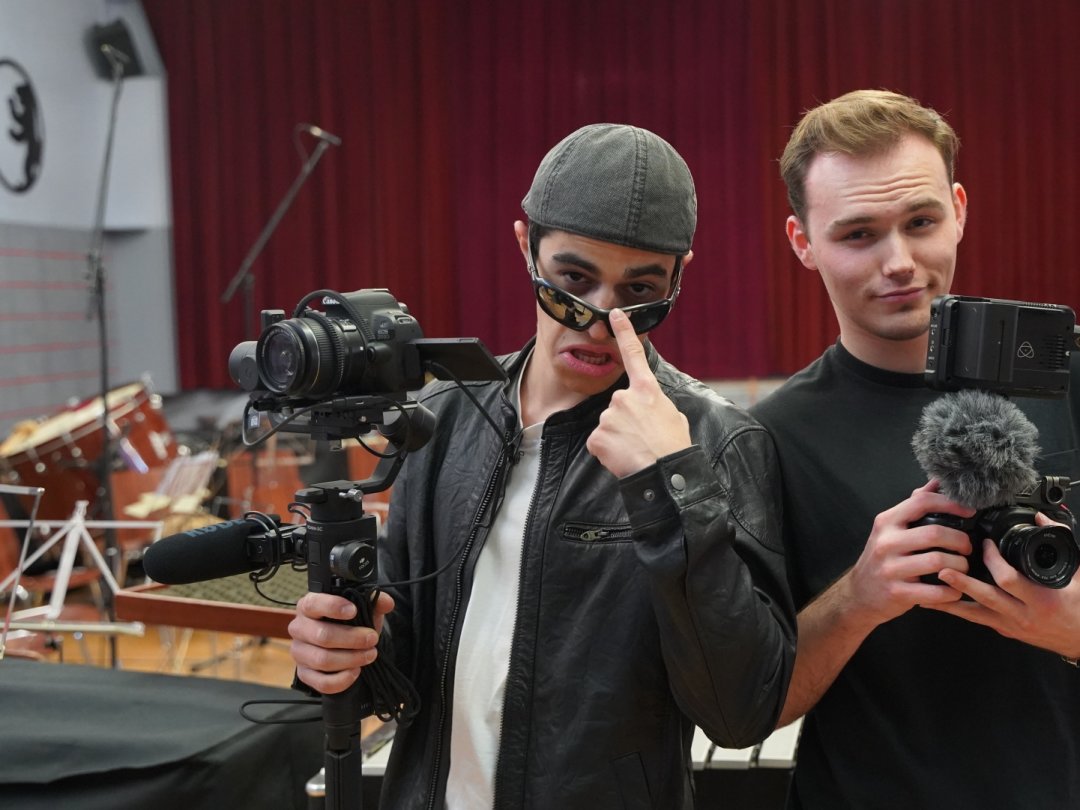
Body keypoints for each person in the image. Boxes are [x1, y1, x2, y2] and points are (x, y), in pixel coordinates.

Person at [289, 123, 796, 809]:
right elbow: (405, 663)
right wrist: (342, 650)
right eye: (573, 282)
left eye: (639, 293)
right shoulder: (444, 417)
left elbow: (738, 714)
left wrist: (672, 485)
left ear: (680, 276)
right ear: (526, 246)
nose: (598, 321)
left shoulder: (716, 441)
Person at [751, 89, 1080, 809]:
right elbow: (751, 707)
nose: (899, 261)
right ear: (802, 243)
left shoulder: (1068, 383)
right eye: (859, 234)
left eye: (921, 221)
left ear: (959, 209)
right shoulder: (768, 436)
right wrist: (857, 598)